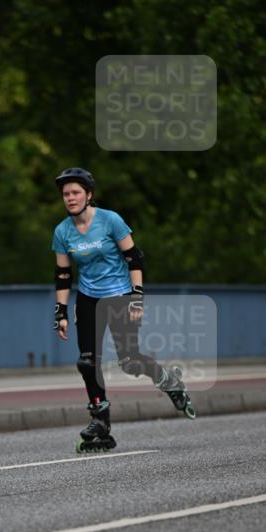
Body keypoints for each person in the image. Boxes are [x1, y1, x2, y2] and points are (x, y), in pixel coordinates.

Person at [51, 167, 195, 452]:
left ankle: (170, 381)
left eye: (76, 192)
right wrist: (61, 312)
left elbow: (134, 257)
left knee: (129, 361)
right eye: (66, 194)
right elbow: (63, 274)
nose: (70, 198)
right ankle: (100, 421)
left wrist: (137, 296)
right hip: (89, 298)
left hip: (120, 295)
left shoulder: (110, 220)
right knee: (87, 361)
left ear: (88, 195)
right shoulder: (62, 231)